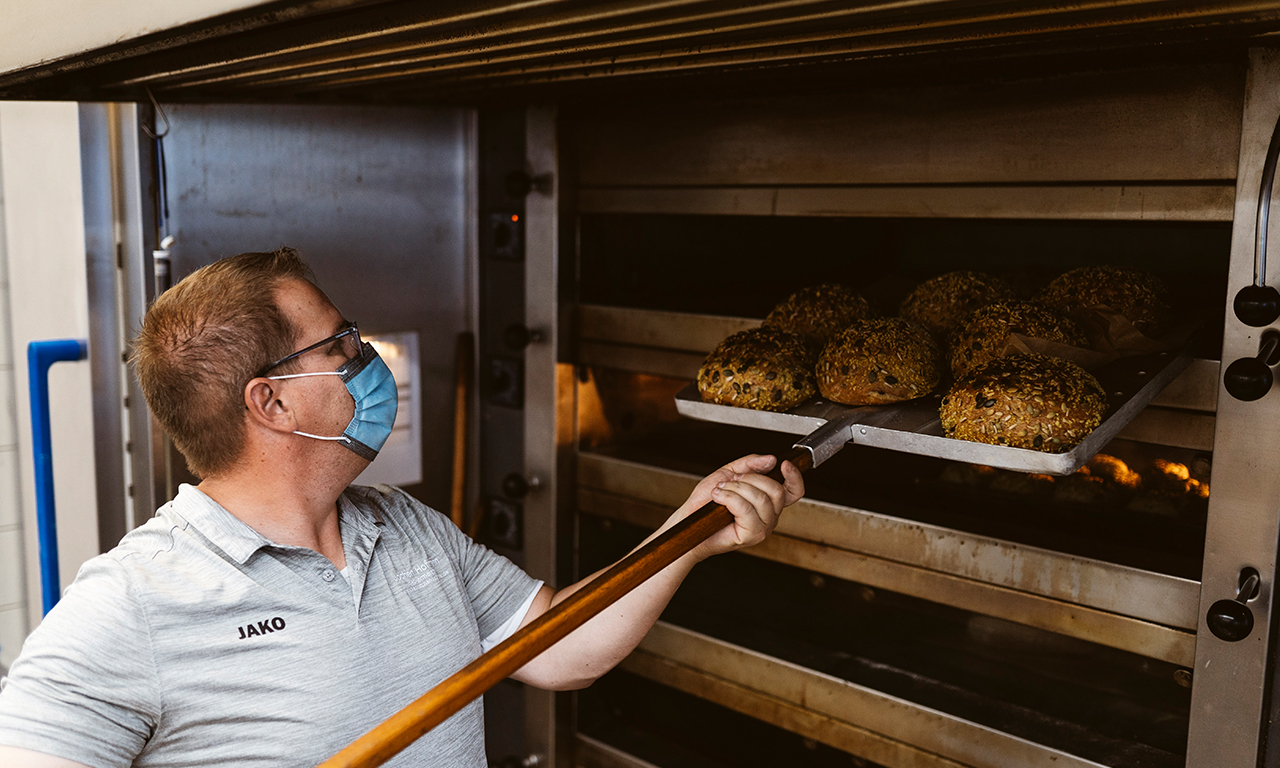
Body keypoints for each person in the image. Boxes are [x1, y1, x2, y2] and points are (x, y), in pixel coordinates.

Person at [0, 248, 804, 767]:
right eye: (342, 345)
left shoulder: (402, 524)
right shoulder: (135, 603)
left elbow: (562, 648)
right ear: (272, 403)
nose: (368, 357)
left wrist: (691, 530)